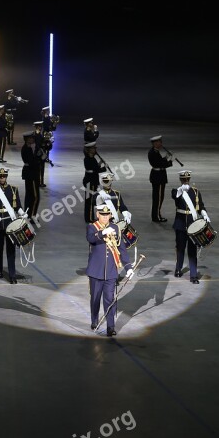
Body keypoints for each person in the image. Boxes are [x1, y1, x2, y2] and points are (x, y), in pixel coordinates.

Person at [86, 204, 134, 336]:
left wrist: (128, 267)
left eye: (107, 215)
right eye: (102, 214)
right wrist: (102, 233)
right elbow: (90, 238)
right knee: (95, 299)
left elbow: (122, 249)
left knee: (110, 299)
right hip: (96, 271)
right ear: (98, 215)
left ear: (110, 215)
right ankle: (94, 320)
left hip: (111, 271)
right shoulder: (92, 227)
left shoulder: (116, 228)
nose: (105, 217)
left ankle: (110, 327)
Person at [0, 168, 26, 284]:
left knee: (11, 250)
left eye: (4, 176)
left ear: (6, 176)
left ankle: (12, 275)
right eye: (0, 176)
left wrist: (22, 213)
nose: (2, 178)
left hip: (10, 224)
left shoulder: (13, 190)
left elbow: (17, 206)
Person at [171, 170, 209, 285]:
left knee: (192, 250)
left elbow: (200, 205)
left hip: (193, 225)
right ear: (180, 180)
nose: (186, 181)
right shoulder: (176, 191)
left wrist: (204, 213)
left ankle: (193, 275)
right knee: (180, 248)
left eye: (187, 179)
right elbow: (175, 198)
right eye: (184, 180)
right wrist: (180, 190)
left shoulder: (196, 192)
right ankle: (178, 268)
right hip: (180, 224)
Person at [148, 135, 173, 222]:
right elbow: (159, 164)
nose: (161, 143)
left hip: (158, 176)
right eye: (159, 142)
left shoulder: (155, 151)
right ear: (155, 143)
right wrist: (169, 161)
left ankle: (156, 215)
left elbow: (159, 161)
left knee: (158, 197)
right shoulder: (153, 152)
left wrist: (166, 157)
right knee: (158, 198)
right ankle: (156, 216)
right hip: (158, 177)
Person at [83, 142, 107, 223]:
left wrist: (99, 164)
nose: (95, 150)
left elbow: (94, 168)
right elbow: (95, 170)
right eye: (93, 148)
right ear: (89, 150)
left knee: (89, 200)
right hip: (90, 182)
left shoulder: (91, 158)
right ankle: (89, 218)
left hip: (89, 181)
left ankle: (88, 217)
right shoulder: (89, 159)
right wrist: (104, 168)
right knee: (90, 201)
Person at [21, 132, 40, 217]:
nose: (33, 139)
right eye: (31, 138)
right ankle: (32, 215)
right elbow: (32, 162)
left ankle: (28, 213)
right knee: (35, 196)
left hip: (30, 173)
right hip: (31, 174)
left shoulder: (30, 148)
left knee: (29, 195)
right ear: (27, 139)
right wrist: (39, 158)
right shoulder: (26, 149)